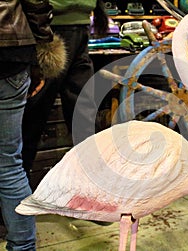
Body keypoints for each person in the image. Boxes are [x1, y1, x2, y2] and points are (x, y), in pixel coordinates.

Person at [22, 0, 108, 189]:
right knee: (33, 116)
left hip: (79, 27)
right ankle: (13, 196)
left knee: (84, 114)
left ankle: (94, 192)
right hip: (48, 29)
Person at [0, 0, 57, 249]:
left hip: (12, 52)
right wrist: (43, 48)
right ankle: (23, 247)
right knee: (9, 163)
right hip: (11, 52)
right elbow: (36, 4)